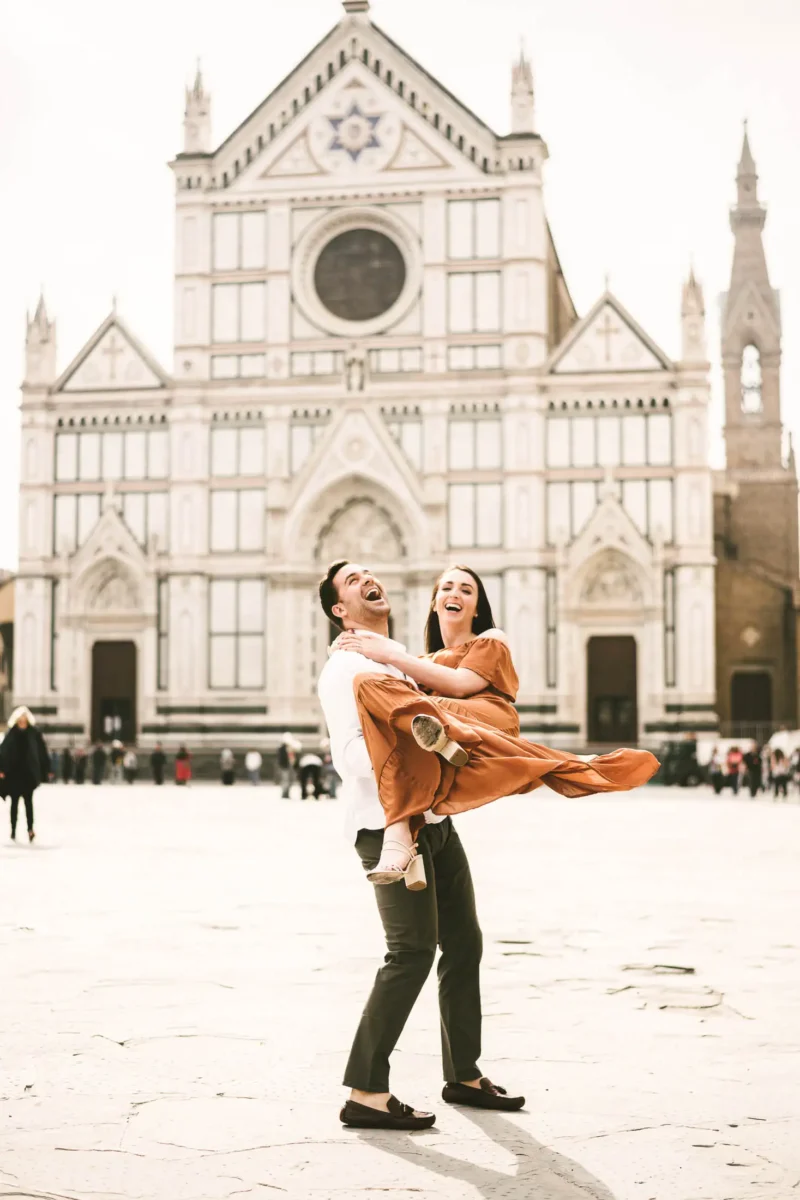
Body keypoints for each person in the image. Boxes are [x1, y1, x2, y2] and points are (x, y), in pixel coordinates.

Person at [317, 561, 656, 1132]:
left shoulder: (398, 658)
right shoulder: (346, 667)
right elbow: (348, 756)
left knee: (464, 942)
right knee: (411, 953)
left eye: (369, 572)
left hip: (435, 822)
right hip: (386, 823)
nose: (367, 578)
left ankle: (463, 1074)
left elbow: (464, 686)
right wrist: (410, 758)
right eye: (352, 580)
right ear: (339, 612)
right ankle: (365, 1091)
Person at [323, 562, 657, 888]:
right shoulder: (419, 665)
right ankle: (421, 789)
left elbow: (460, 684)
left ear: (477, 608)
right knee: (375, 687)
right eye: (448, 588)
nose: (456, 593)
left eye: (467, 590)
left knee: (383, 695)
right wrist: (358, 649)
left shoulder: (490, 639)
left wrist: (387, 654)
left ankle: (426, 783)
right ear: (435, 603)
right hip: (444, 725)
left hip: (485, 718)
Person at [0, 707, 52, 843]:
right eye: (20, 720)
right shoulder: (11, 734)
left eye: (24, 720)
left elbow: (42, 751)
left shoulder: (33, 733)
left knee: (28, 803)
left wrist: (47, 767)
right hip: (13, 774)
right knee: (14, 804)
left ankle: (30, 829)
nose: (22, 723)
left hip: (28, 774)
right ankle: (13, 830)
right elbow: (3, 752)